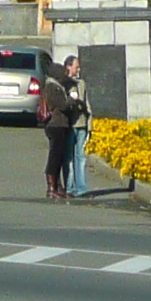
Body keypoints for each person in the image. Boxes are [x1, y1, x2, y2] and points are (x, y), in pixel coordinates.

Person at [38, 64, 75, 200]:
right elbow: (63, 105)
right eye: (63, 73)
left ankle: (58, 186)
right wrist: (72, 100)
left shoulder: (56, 86)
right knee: (55, 156)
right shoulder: (52, 87)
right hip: (55, 125)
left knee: (58, 156)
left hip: (60, 125)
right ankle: (51, 187)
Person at [62, 52, 93, 198]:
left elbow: (87, 105)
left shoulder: (81, 83)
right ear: (68, 67)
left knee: (80, 157)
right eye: (76, 67)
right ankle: (70, 187)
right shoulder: (63, 83)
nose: (78, 70)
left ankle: (81, 187)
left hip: (81, 124)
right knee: (69, 157)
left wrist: (89, 125)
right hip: (69, 125)